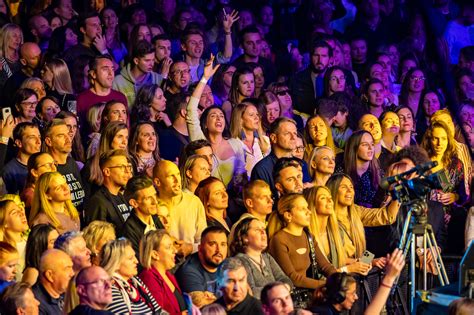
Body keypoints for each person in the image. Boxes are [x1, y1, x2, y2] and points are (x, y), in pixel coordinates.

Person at [186, 56, 247, 189]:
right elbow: (190, 110)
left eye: (221, 116)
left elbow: (242, 177)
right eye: (213, 116)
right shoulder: (199, 141)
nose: (219, 118)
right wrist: (205, 78)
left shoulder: (236, 144)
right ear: (205, 124)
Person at [268, 193, 337, 303]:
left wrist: (338, 278)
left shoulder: (308, 236)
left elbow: (325, 266)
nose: (309, 212)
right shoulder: (279, 239)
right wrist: (326, 284)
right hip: (290, 299)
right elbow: (293, 278)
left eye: (307, 208)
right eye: (302, 209)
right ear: (288, 215)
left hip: (307, 295)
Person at [154, 159, 207, 256]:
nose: (177, 180)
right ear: (157, 182)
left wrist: (190, 248)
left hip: (191, 262)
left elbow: (203, 240)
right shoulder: (151, 206)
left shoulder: (194, 202)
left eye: (178, 174)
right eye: (171, 176)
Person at [231, 217, 292, 299]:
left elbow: (285, 279)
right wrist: (279, 291)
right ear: (245, 238)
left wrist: (284, 288)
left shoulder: (267, 257)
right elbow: (251, 292)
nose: (263, 232)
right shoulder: (240, 261)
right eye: (257, 230)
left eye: (263, 229)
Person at [100, 238, 164, 314]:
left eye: (135, 256)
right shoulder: (110, 288)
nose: (136, 261)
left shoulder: (136, 281)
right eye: (130, 258)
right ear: (116, 263)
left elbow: (158, 311)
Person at [251, 117, 310, 197]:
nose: (293, 138)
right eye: (287, 133)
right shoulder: (262, 169)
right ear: (274, 138)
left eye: (295, 133)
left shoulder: (302, 164)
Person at [175, 226, 228, 308]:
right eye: (212, 244)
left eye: (223, 244)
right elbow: (206, 309)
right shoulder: (189, 271)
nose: (219, 250)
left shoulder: (226, 265)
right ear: (200, 248)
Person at [139, 229, 189, 315]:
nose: (175, 251)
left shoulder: (168, 274)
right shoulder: (148, 278)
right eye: (169, 247)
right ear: (155, 254)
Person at [85, 149, 133, 230]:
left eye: (128, 167)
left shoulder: (120, 196)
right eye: (121, 167)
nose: (128, 171)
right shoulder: (98, 201)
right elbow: (97, 237)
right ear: (107, 172)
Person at [43, 119, 85, 211]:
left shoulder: (71, 162)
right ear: (49, 141)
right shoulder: (47, 168)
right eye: (61, 136)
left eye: (68, 134)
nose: (68, 139)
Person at [76, 55, 127, 123]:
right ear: (93, 74)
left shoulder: (120, 97)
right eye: (105, 69)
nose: (110, 73)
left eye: (112, 69)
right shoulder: (82, 99)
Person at [122, 175, 164, 255]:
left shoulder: (155, 217)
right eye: (148, 198)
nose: (155, 202)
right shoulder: (129, 230)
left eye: (154, 195)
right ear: (134, 203)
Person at [113, 40, 163, 106]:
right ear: (136, 61)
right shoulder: (118, 82)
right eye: (147, 60)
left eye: (153, 60)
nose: (151, 64)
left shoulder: (158, 79)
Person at [290, 40, 332, 115]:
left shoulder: (337, 77)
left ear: (330, 59)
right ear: (310, 57)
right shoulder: (297, 79)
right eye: (316, 55)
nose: (320, 60)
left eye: (324, 56)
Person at [230, 102, 270, 177]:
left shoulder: (265, 141)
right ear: (241, 120)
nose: (257, 118)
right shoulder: (233, 145)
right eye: (251, 115)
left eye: (257, 114)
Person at [1, 122, 41, 194]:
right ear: (19, 143)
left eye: (39, 137)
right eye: (32, 137)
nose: (38, 142)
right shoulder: (9, 171)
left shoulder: (43, 164)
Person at [31, 249, 75, 314]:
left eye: (72, 267)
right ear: (50, 275)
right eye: (67, 268)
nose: (72, 273)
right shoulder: (35, 304)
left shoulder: (67, 293)